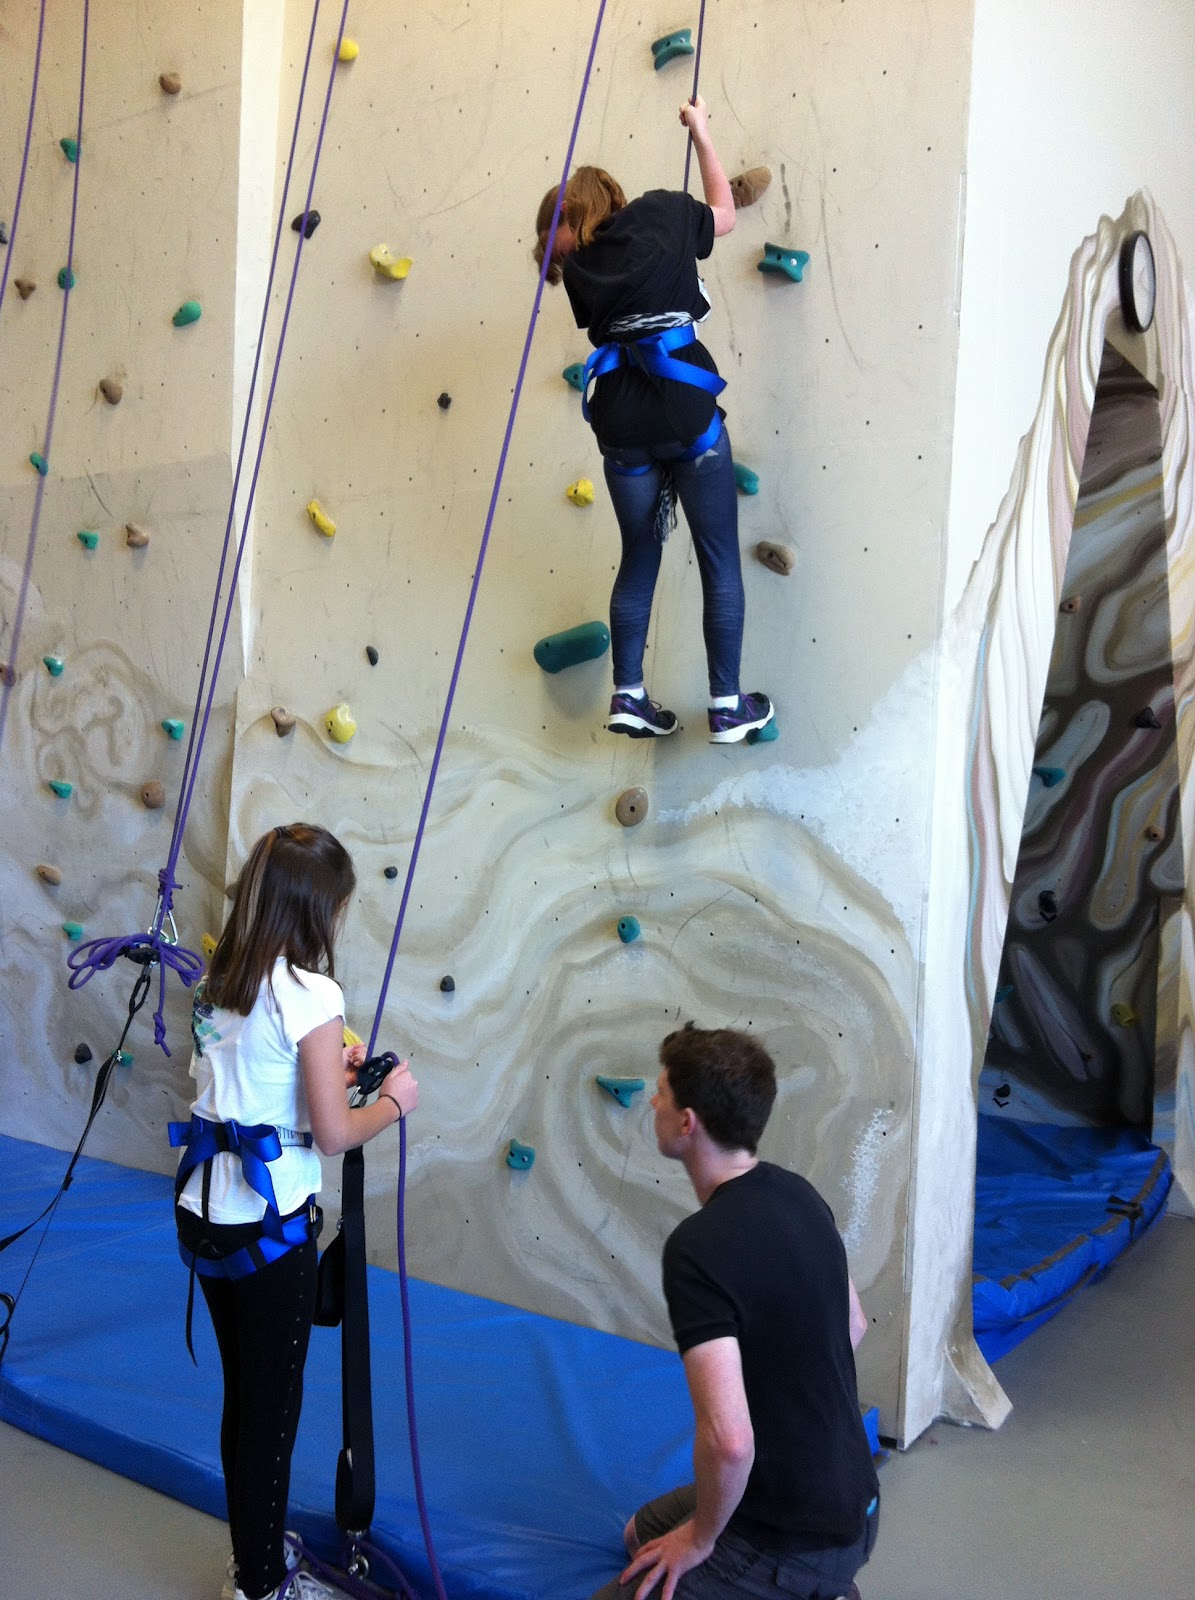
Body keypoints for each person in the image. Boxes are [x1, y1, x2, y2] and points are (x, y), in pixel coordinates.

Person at [171, 823, 418, 1600]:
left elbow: (248, 1081)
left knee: (245, 1396)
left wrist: (324, 1063)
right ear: (318, 910)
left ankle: (254, 1545)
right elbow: (335, 1132)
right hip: (268, 1227)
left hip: (204, 1213)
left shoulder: (221, 981)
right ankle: (262, 1582)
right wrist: (392, 1103)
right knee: (272, 1411)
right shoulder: (313, 993)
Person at [590, 1024, 878, 1600]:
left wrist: (700, 1537)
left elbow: (729, 1443)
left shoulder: (698, 1247)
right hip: (858, 1497)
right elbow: (854, 1326)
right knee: (640, 1537)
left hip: (791, 1540)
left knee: (669, 1555)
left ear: (687, 1123)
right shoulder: (799, 1192)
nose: (653, 1100)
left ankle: (807, 1589)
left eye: (663, 1092)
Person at [534, 97, 774, 746]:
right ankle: (726, 704)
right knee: (718, 558)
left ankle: (628, 694)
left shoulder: (578, 266)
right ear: (614, 197)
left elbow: (559, 249)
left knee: (638, 554)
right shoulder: (664, 211)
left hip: (619, 420)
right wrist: (700, 131)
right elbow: (723, 211)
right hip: (683, 407)